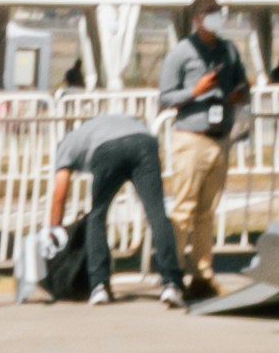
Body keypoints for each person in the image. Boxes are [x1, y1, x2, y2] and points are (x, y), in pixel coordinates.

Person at [40, 103, 194, 308]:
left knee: (97, 215)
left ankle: (99, 286)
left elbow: (59, 193)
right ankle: (172, 283)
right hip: (144, 142)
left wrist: (55, 231)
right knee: (156, 213)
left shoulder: (66, 144)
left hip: (108, 149)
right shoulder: (98, 125)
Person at [155, 0, 250, 296]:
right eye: (210, 10)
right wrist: (195, 91)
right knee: (183, 208)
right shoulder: (181, 52)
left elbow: (242, 83)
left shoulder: (229, 49)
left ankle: (202, 273)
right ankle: (171, 275)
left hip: (220, 137)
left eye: (218, 9)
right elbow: (165, 97)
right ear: (196, 18)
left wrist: (240, 93)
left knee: (207, 212)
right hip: (191, 137)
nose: (215, 15)